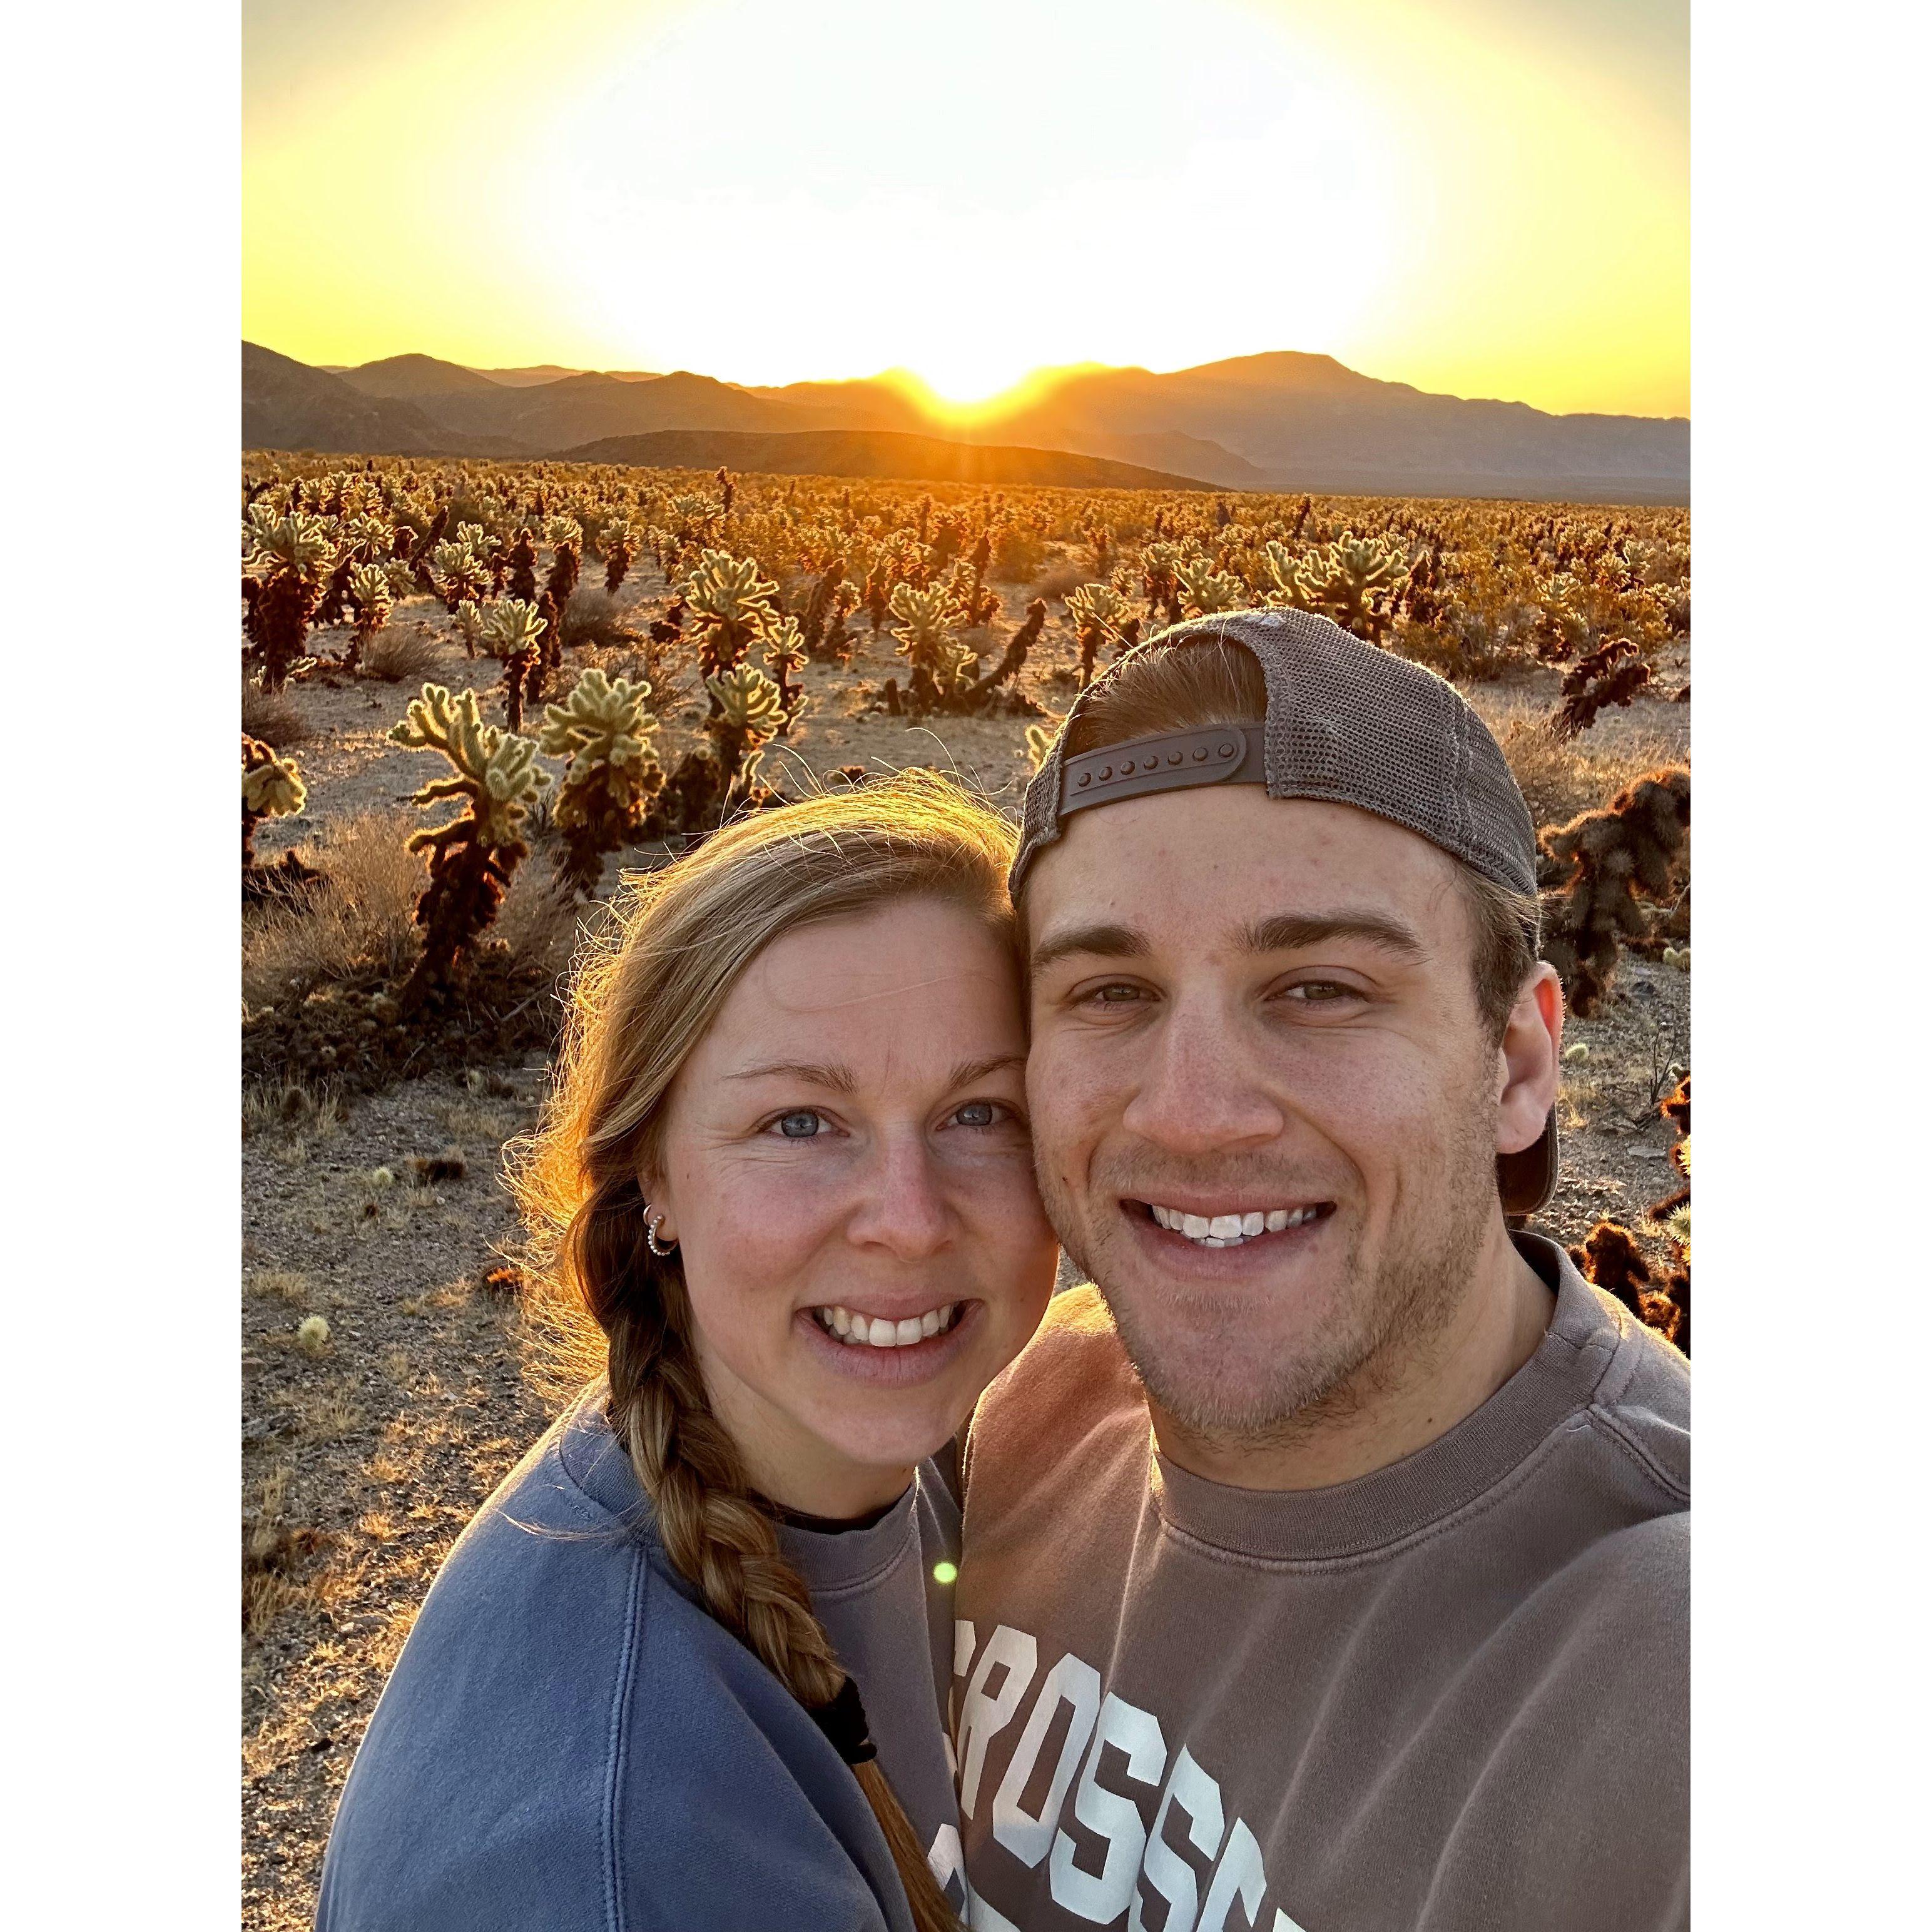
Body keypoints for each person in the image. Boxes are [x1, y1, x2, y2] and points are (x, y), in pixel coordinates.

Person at [950, 609, 1689, 1932]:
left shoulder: (1681, 1671)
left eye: (1318, 988)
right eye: (1108, 992)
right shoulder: (1035, 1404)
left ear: (1516, 1064)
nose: (1189, 1113)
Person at [313, 773, 1060, 1932]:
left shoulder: (836, 1457)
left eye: (983, 1113)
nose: (908, 1220)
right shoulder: (605, 1858)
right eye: (799, 1123)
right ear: (653, 1176)